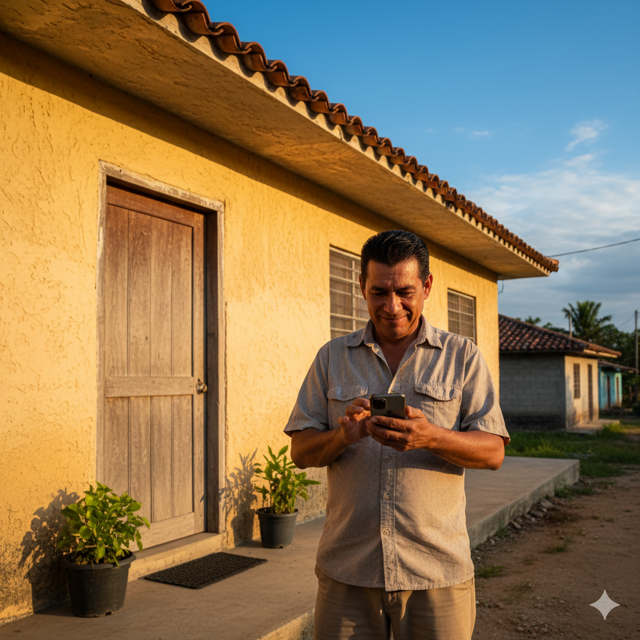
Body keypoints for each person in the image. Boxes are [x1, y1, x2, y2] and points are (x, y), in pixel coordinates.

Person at [284, 230, 510, 640]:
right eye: (379, 292)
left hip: (436, 572)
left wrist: (431, 437)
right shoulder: (332, 358)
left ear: (426, 286)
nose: (392, 307)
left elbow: (493, 451)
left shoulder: (462, 356)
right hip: (348, 571)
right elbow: (300, 452)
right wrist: (343, 437)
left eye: (405, 291)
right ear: (361, 288)